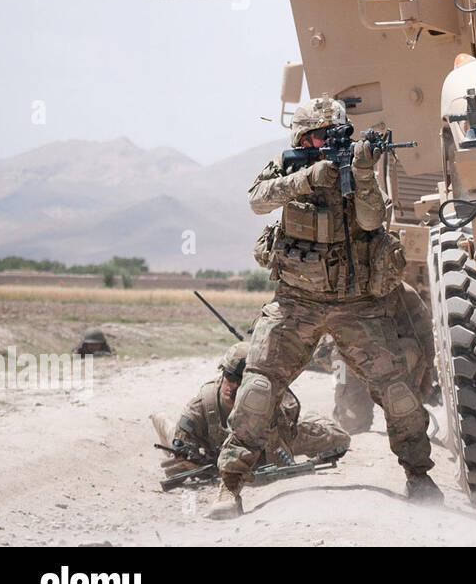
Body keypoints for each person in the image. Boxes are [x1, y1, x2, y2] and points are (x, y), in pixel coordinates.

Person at [209, 96, 438, 519]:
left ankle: (419, 475)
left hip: (358, 305)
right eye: (317, 137)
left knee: (397, 391)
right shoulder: (289, 166)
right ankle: (230, 486)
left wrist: (364, 172)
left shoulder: (357, 167)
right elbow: (257, 200)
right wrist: (307, 179)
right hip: (297, 302)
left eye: (333, 136)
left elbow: (373, 221)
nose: (326, 144)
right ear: (302, 139)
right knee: (259, 388)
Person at [151, 341, 349, 481]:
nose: (233, 385)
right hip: (210, 449)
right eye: (229, 376)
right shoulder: (203, 404)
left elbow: (281, 450)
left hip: (281, 440)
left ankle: (312, 417)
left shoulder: (269, 401)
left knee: (340, 439)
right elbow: (182, 448)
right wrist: (188, 461)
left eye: (241, 381)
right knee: (174, 451)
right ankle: (161, 420)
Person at [332, 281, 435, 434]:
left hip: (394, 359)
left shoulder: (405, 293)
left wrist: (426, 378)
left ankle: (407, 420)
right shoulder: (344, 289)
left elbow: (425, 339)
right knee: (351, 423)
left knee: (406, 423)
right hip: (355, 356)